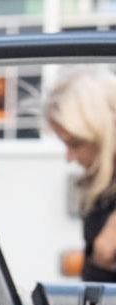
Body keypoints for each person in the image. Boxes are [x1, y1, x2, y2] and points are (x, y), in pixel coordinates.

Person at [47, 67, 116, 283]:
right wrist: (101, 260)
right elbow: (93, 287)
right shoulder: (100, 191)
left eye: (76, 144)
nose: (69, 157)